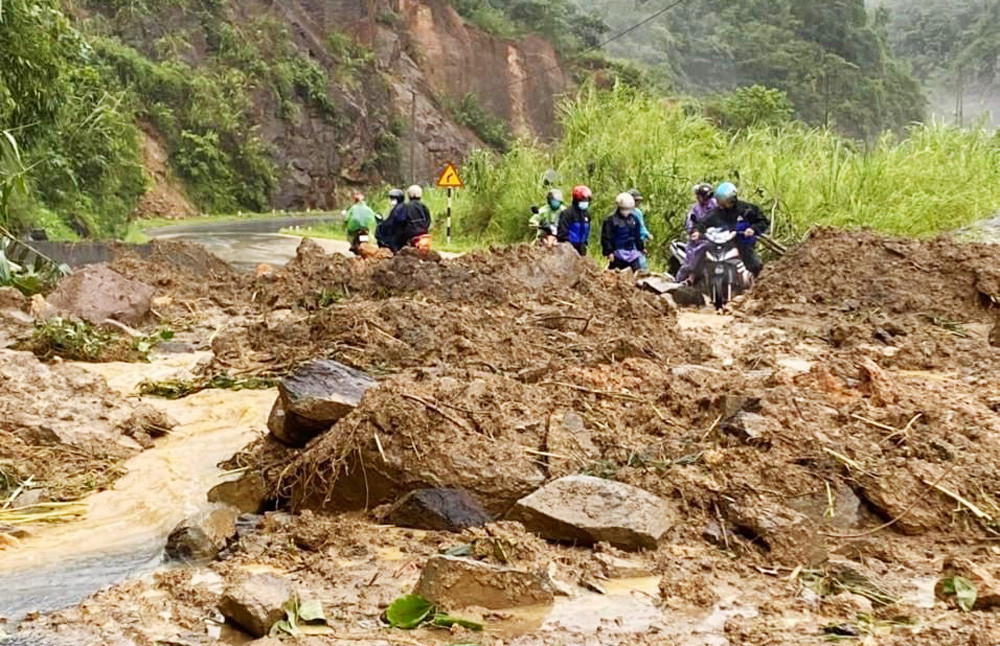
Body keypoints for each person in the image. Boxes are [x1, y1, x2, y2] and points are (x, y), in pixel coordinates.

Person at [694, 182, 770, 277]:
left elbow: (763, 221)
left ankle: (756, 277)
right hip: (721, 243)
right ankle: (695, 278)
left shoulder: (746, 209)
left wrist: (753, 229)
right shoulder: (717, 212)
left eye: (725, 202)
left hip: (742, 243)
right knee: (701, 254)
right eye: (720, 202)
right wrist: (698, 231)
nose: (722, 205)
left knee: (752, 262)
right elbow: (703, 223)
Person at [675, 183, 718, 283]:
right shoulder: (695, 209)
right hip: (700, 240)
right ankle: (681, 280)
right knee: (690, 261)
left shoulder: (715, 205)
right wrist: (694, 231)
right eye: (702, 196)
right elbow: (690, 222)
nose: (705, 199)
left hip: (715, 238)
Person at [379, 185, 432, 253]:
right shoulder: (424, 207)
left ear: (409, 194)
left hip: (408, 235)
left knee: (395, 241)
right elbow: (428, 220)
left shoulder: (405, 207)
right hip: (424, 233)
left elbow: (398, 220)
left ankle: (396, 252)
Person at [602, 192, 647, 271]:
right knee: (614, 274)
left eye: (628, 209)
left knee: (637, 273)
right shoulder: (611, 220)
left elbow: (637, 236)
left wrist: (641, 248)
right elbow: (606, 238)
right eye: (624, 209)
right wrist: (609, 252)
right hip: (617, 254)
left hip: (632, 254)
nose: (626, 211)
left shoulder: (634, 219)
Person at [558, 185, 593, 256]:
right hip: (569, 248)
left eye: (587, 200)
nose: (585, 202)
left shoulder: (586, 214)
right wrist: (568, 246)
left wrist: (585, 243)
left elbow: (587, 231)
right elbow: (562, 232)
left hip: (582, 247)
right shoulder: (567, 213)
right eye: (583, 200)